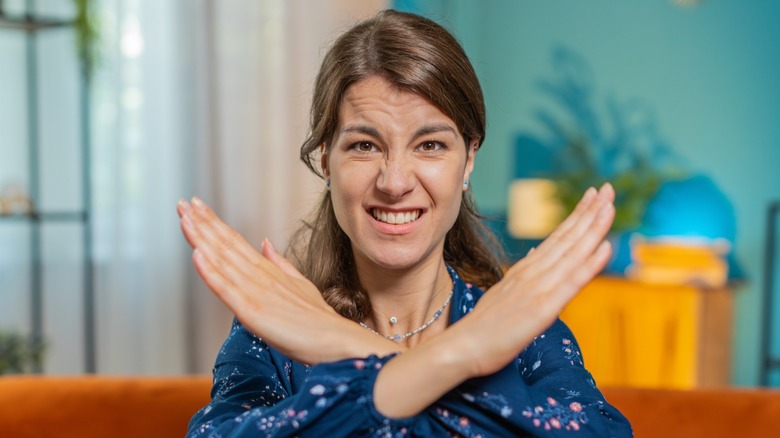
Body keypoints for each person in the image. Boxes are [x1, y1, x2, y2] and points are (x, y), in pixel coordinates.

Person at [179, 9, 632, 437]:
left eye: (430, 145)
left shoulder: (518, 322)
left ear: (469, 158)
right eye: (364, 146)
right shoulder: (277, 324)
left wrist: (342, 346)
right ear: (326, 160)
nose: (394, 182)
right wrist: (463, 356)